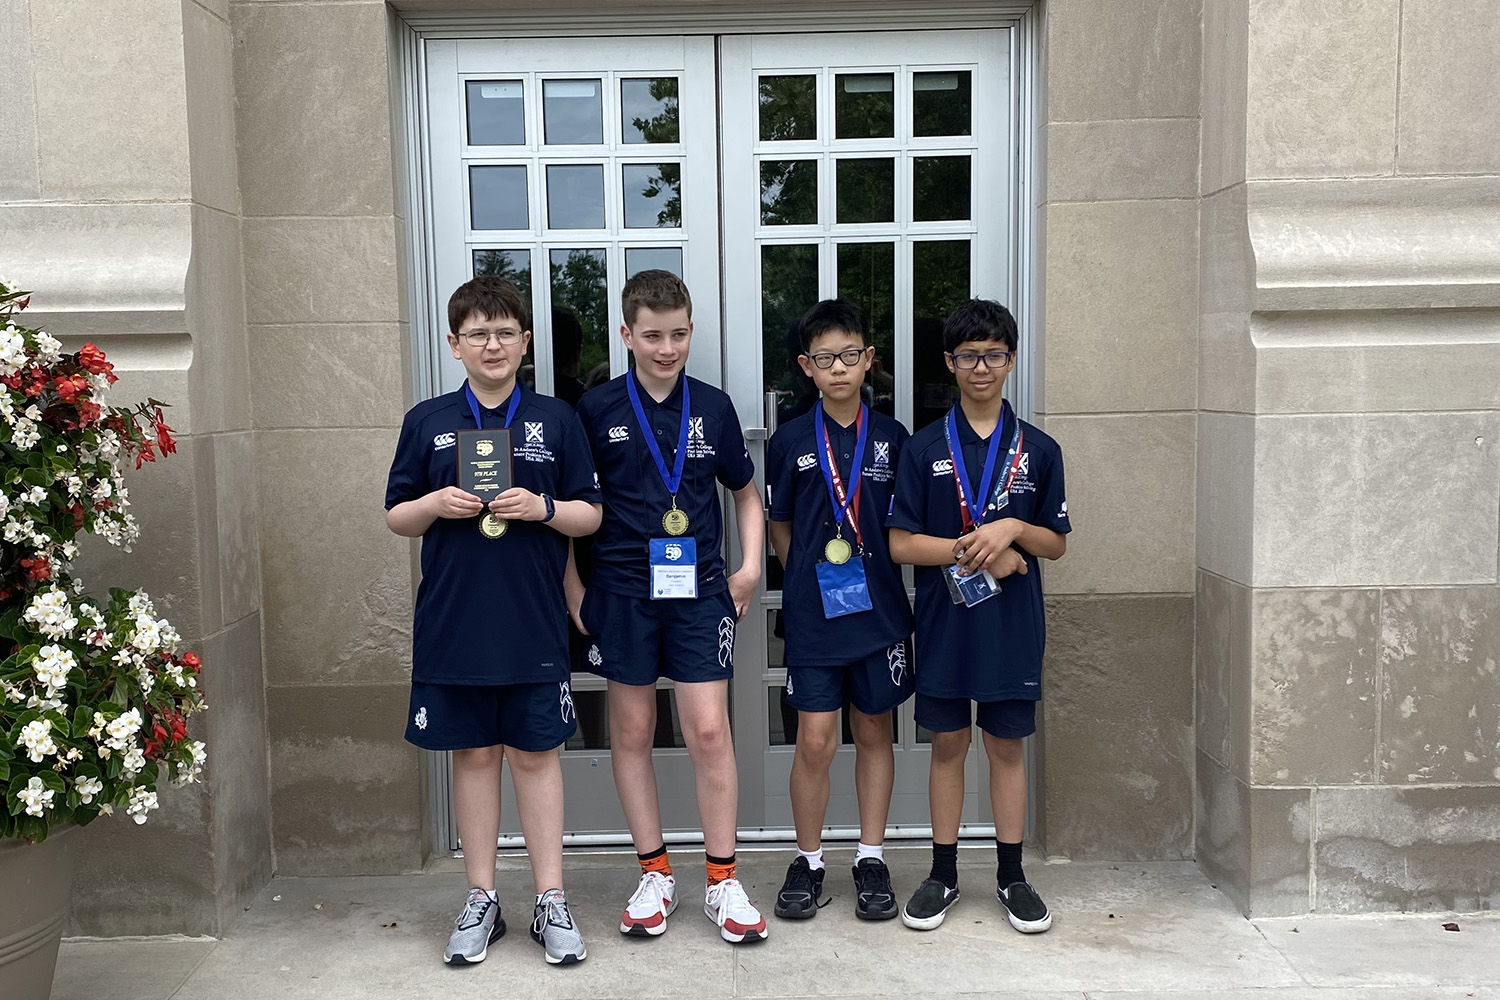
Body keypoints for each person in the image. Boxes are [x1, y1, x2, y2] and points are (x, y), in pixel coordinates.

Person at [385, 276, 603, 966]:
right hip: (455, 619)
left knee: (537, 757)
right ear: (455, 345)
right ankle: (481, 898)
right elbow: (396, 515)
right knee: (474, 755)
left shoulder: (556, 420)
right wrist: (435, 504)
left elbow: (590, 513)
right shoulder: (427, 420)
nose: (493, 344)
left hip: (531, 619)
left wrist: (541, 508)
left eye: (505, 332)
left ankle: (550, 900)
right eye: (477, 333)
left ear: (526, 342)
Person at [567, 269, 769, 944]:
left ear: (691, 331)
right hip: (622, 594)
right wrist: (575, 591)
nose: (666, 348)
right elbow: (571, 511)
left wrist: (747, 570)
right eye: (652, 335)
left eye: (679, 334)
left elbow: (745, 493)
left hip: (701, 592)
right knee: (631, 731)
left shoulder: (711, 407)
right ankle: (655, 873)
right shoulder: (594, 412)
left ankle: (722, 880)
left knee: (709, 730)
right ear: (626, 334)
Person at [886, 298, 1071, 934]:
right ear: (949, 363)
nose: (982, 367)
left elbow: (1056, 543)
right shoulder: (923, 447)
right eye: (969, 357)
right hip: (945, 623)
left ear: (1011, 360)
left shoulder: (1038, 450)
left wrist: (1015, 530)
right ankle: (942, 874)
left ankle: (1012, 875)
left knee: (1006, 747)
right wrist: (985, 553)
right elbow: (901, 543)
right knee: (947, 744)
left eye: (994, 354)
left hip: (1010, 628)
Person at [764, 299, 914, 922]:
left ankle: (871, 856)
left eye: (850, 356)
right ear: (807, 367)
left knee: (875, 730)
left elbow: (906, 527)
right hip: (815, 616)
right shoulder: (792, 438)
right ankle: (810, 859)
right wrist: (808, 577)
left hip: (878, 612)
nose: (839, 369)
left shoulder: (895, 438)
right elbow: (780, 528)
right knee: (816, 739)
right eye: (825, 359)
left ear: (869, 359)